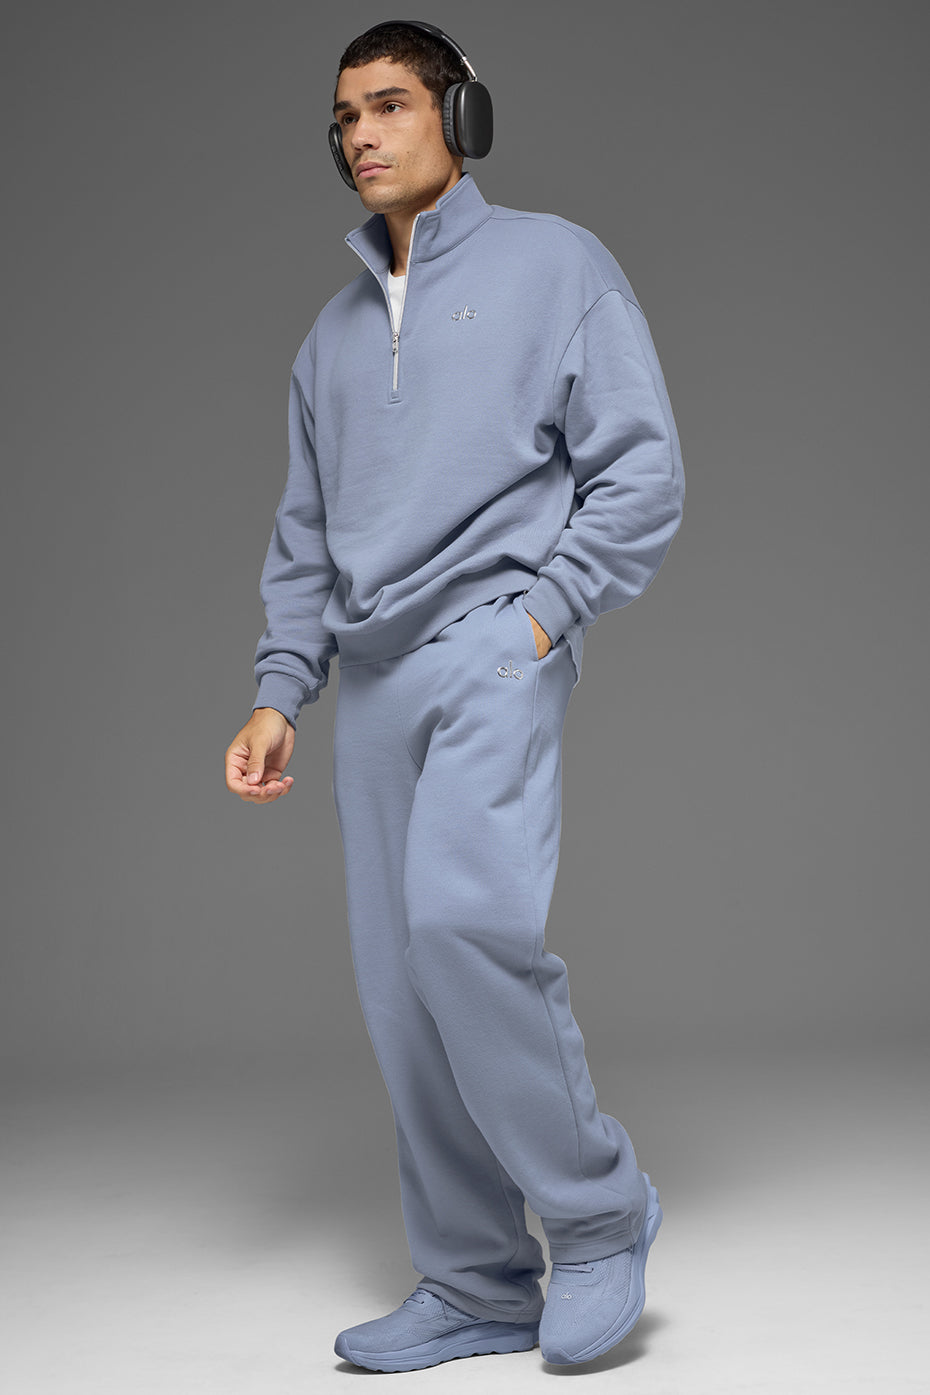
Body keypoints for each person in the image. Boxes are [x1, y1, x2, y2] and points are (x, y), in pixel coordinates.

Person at [224, 19, 684, 1372]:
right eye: (343, 116)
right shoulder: (327, 339)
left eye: (389, 105)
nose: (361, 135)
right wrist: (279, 690)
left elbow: (641, 471)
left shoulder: (557, 265)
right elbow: (304, 537)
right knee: (398, 990)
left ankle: (598, 1215)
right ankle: (477, 1281)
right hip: (369, 679)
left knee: (463, 929)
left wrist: (543, 617)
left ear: (459, 116)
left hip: (494, 640)